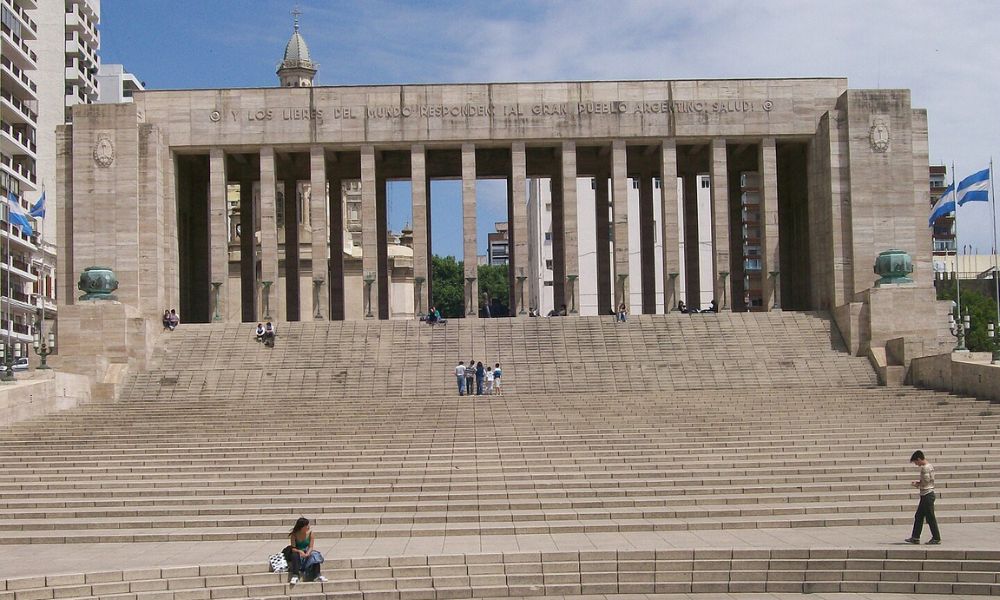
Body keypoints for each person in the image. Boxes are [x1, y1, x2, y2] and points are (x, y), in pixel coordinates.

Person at [905, 450, 941, 545]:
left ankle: (936, 537)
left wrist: (916, 484)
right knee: (919, 516)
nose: (916, 464)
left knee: (930, 517)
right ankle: (915, 537)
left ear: (919, 459)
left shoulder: (925, 468)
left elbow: (925, 483)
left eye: (916, 462)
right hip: (928, 494)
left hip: (927, 494)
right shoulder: (930, 466)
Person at [282, 517, 327, 584]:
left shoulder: (310, 533)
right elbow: (293, 548)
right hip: (297, 551)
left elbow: (311, 547)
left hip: (306, 551)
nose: (308, 527)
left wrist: (307, 553)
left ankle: (317, 575)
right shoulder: (294, 534)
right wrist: (300, 551)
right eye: (307, 525)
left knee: (315, 555)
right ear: (302, 527)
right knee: (294, 555)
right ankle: (295, 575)